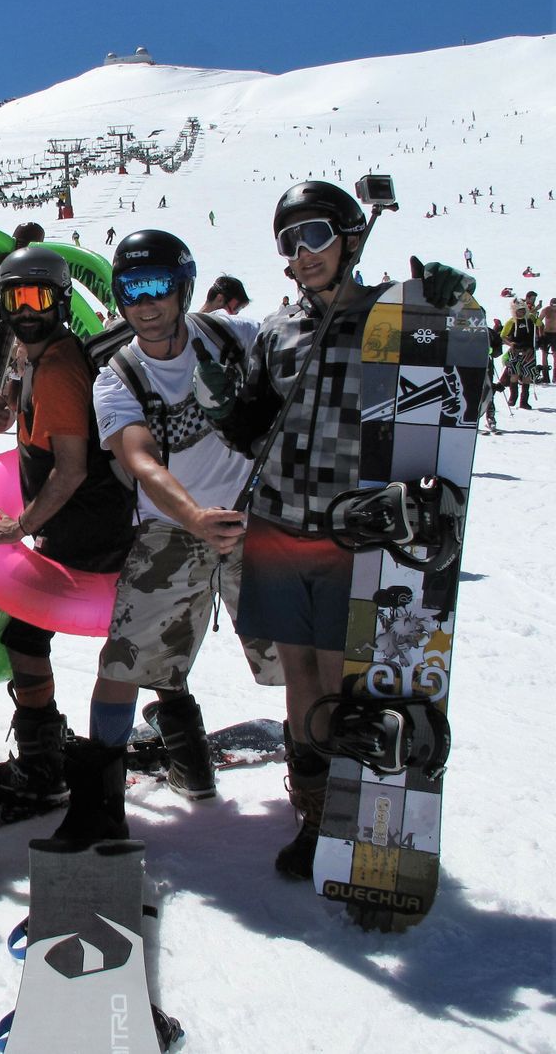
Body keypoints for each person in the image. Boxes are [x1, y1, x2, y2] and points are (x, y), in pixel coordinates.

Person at [192, 180, 473, 878]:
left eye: (314, 235)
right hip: (283, 518)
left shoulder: (394, 317)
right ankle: (314, 813)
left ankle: (362, 805)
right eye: (289, 242)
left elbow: (459, 389)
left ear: (350, 235)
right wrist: (228, 407)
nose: (301, 253)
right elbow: (255, 432)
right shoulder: (280, 330)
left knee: (353, 671)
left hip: (363, 529)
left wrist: (453, 305)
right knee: (300, 670)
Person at [56, 231, 284, 844]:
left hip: (256, 518)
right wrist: (193, 517)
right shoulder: (118, 377)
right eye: (131, 289)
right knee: (126, 660)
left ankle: (322, 784)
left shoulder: (234, 338)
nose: (145, 302)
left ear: (183, 287)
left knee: (301, 655)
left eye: (158, 286)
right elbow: (142, 461)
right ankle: (102, 793)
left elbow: (304, 348)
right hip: (171, 530)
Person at [0, 248, 136, 815]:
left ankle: (42, 762)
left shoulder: (62, 367)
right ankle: (182, 737)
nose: (27, 310)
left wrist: (21, 525)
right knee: (104, 638)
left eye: (40, 297)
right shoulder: (32, 353)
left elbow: (71, 467)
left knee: (25, 638)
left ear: (61, 302)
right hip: (72, 523)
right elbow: (26, 405)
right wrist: (6, 414)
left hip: (87, 528)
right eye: (16, 298)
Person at [540, 297, 556, 383]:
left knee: (555, 355)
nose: (554, 308)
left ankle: (555, 376)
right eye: (553, 305)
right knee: (544, 354)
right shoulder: (546, 310)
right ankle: (545, 376)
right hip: (547, 334)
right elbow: (539, 321)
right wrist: (540, 334)